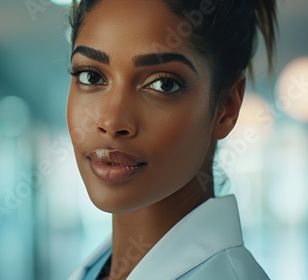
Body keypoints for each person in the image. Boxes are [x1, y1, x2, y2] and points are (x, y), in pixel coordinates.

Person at [65, 0, 277, 279]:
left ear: (226, 107)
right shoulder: (100, 269)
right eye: (91, 76)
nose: (111, 122)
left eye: (163, 84)